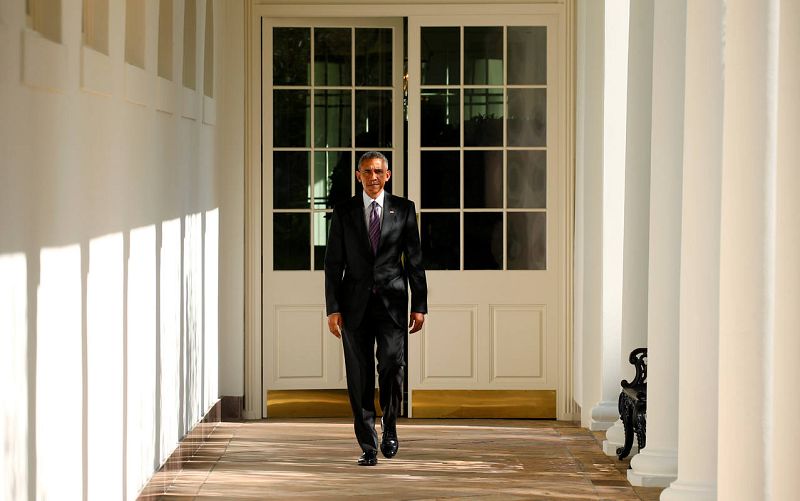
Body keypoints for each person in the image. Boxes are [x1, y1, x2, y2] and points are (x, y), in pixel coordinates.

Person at [324, 151, 428, 466]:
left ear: (388, 175)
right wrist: (333, 308)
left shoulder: (404, 210)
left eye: (378, 171)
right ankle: (368, 445)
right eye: (367, 171)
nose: (373, 177)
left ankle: (391, 427)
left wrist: (419, 304)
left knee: (393, 368)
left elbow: (414, 260)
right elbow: (333, 264)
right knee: (360, 376)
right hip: (354, 305)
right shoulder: (344, 212)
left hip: (393, 305)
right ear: (358, 176)